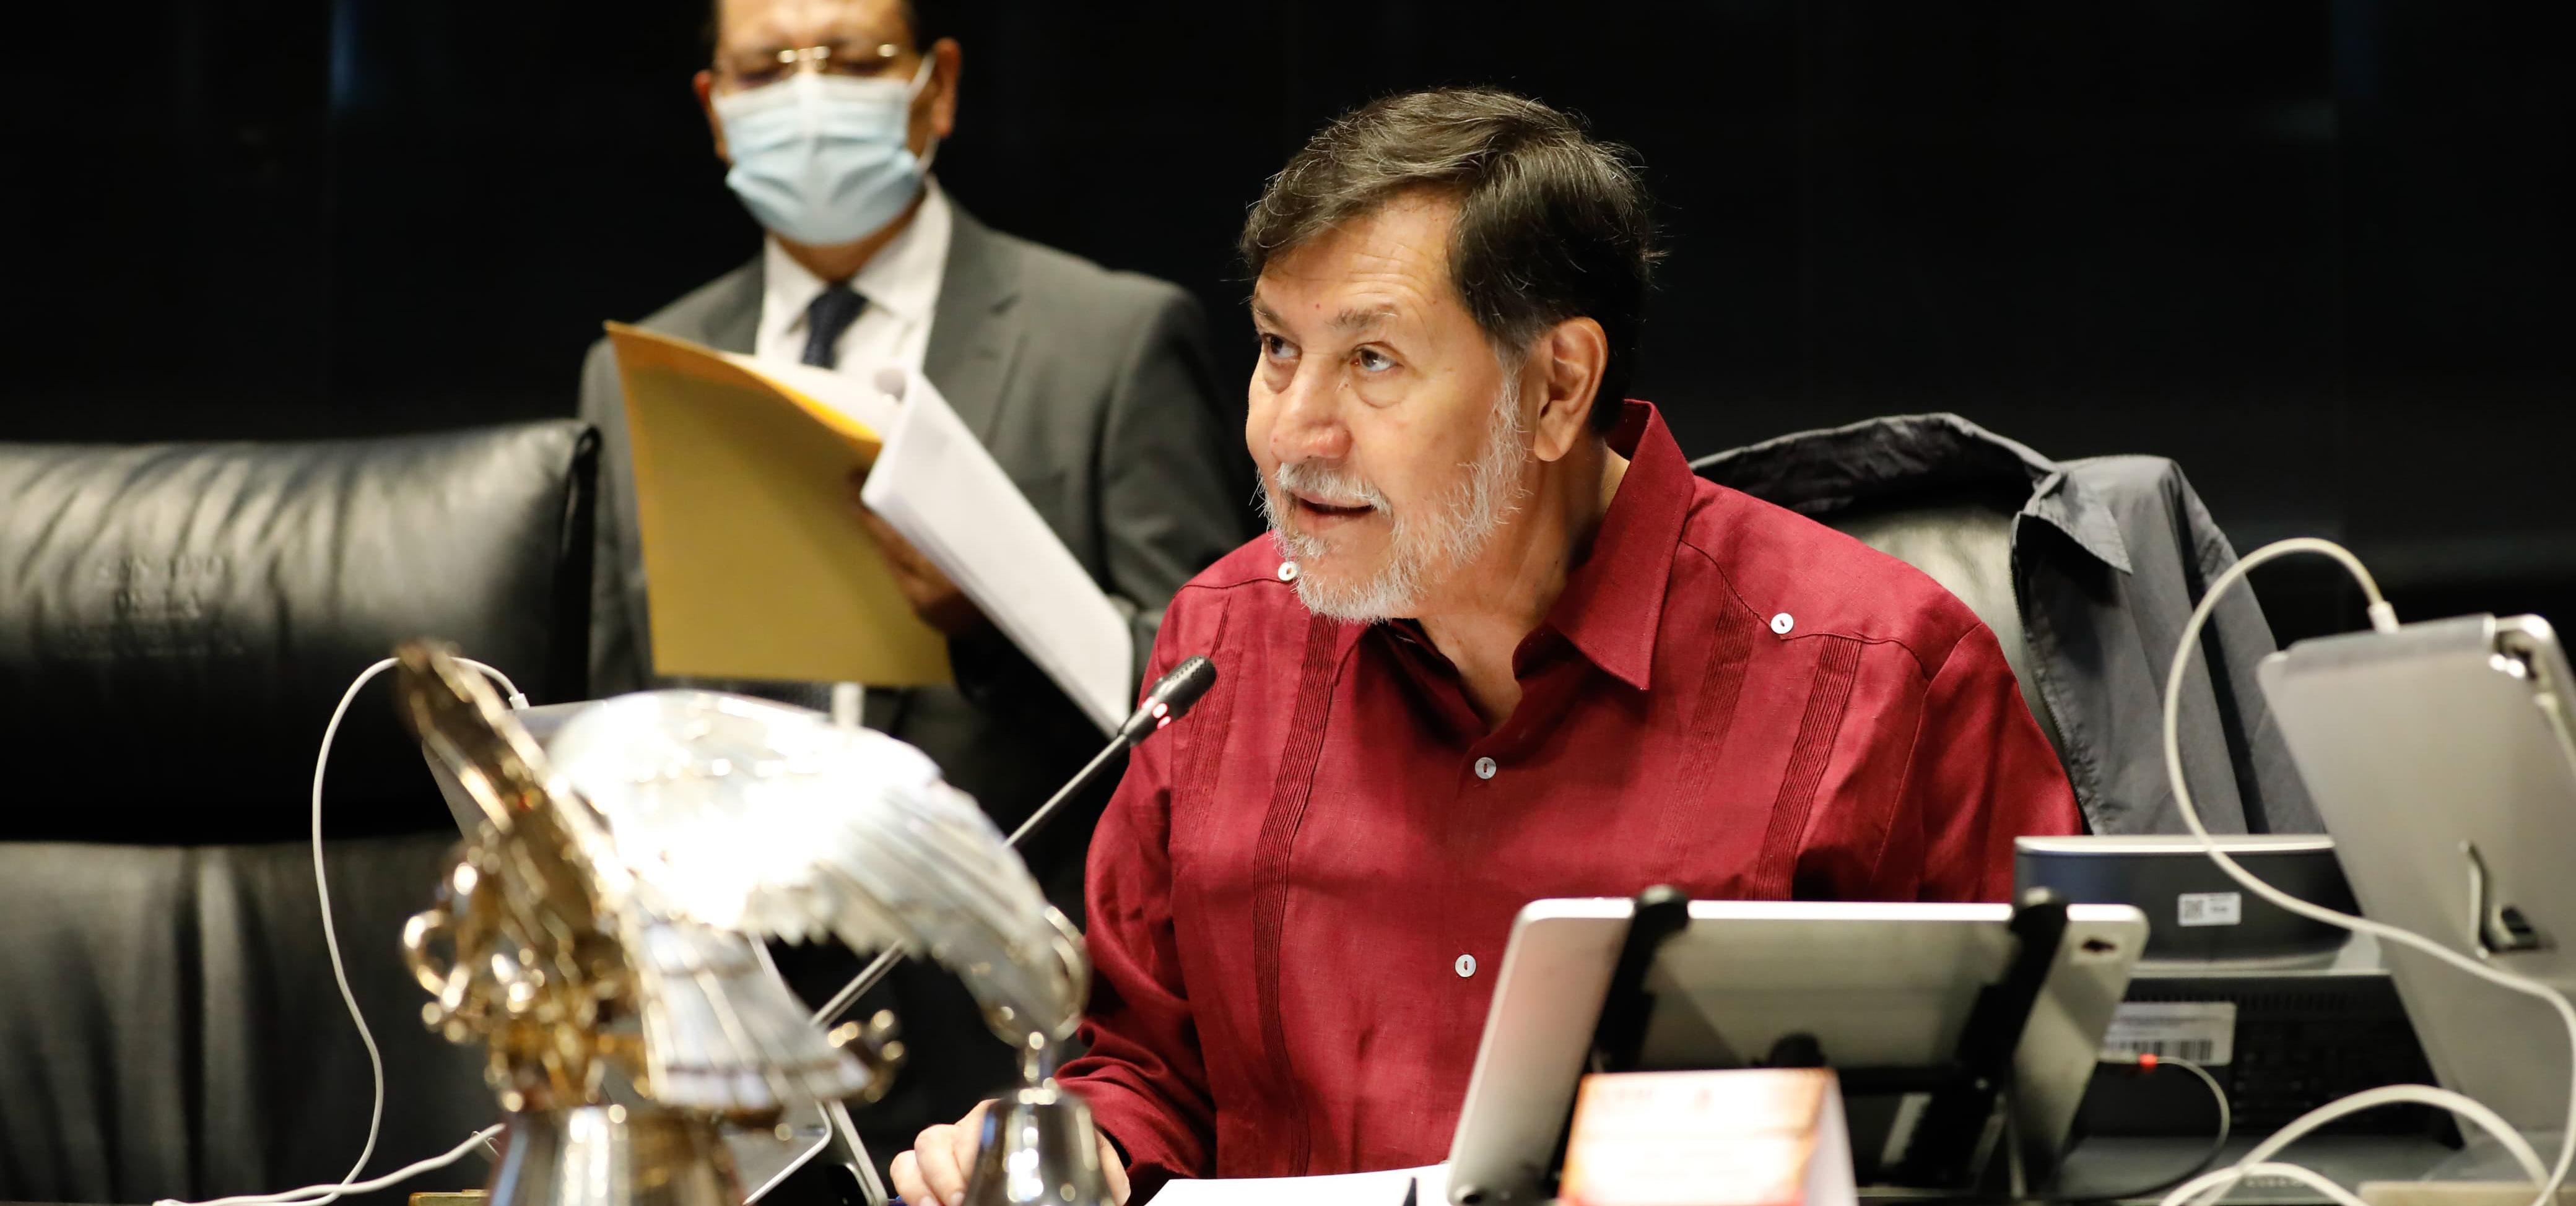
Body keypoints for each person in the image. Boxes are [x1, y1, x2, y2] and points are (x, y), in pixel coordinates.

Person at [890, 87, 2084, 1204]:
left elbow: (2047, 1123)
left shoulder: (1878, 671)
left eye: (1372, 361)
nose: (1293, 431)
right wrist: (1081, 1157)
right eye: (1276, 347)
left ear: (1557, 388)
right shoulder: (1225, 646)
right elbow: (1148, 1069)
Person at [575, 0, 1251, 1176]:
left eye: (850, 60)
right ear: (716, 110)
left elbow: (1212, 695)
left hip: (1014, 1022)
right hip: (740, 1051)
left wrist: (994, 611)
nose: (808, 95)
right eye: (767, 69)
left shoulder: (1106, 339)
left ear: (935, 87)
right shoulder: (635, 372)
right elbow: (614, 709)